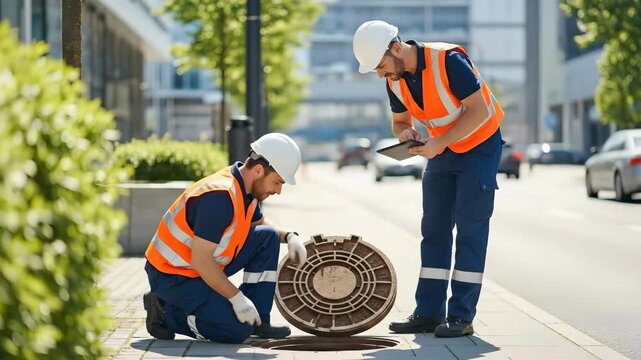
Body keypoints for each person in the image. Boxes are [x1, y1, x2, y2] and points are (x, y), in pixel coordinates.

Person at [353, 20, 504, 338]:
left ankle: (461, 317)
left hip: (479, 146)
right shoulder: (394, 80)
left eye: (381, 66)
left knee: (469, 231)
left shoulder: (448, 60)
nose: (380, 74)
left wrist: (441, 143)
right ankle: (429, 313)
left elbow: (479, 111)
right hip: (442, 148)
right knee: (433, 229)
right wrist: (404, 132)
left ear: (395, 48)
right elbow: (399, 121)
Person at [142, 133, 308, 343]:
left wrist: (290, 237)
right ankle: (165, 311)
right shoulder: (219, 197)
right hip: (172, 275)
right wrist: (236, 298)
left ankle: (259, 322)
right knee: (235, 331)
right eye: (277, 182)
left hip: (197, 267)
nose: (278, 190)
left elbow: (260, 225)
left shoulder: (246, 189)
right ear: (258, 170)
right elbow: (201, 260)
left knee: (268, 238)